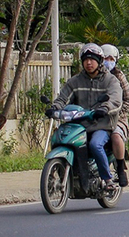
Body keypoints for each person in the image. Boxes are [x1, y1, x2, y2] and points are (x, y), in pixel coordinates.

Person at [48, 43, 123, 191]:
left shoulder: (110, 80)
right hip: (79, 125)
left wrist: (104, 109)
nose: (89, 63)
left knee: (95, 144)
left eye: (93, 59)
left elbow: (115, 99)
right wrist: (54, 108)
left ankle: (107, 179)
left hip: (101, 125)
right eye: (86, 59)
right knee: (60, 139)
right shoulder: (75, 81)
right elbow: (63, 98)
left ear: (99, 61)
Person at [100, 44, 129, 187]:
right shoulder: (91, 76)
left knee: (115, 135)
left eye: (111, 58)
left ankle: (120, 169)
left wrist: (116, 113)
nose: (108, 61)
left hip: (117, 119)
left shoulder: (119, 77)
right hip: (95, 118)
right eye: (105, 58)